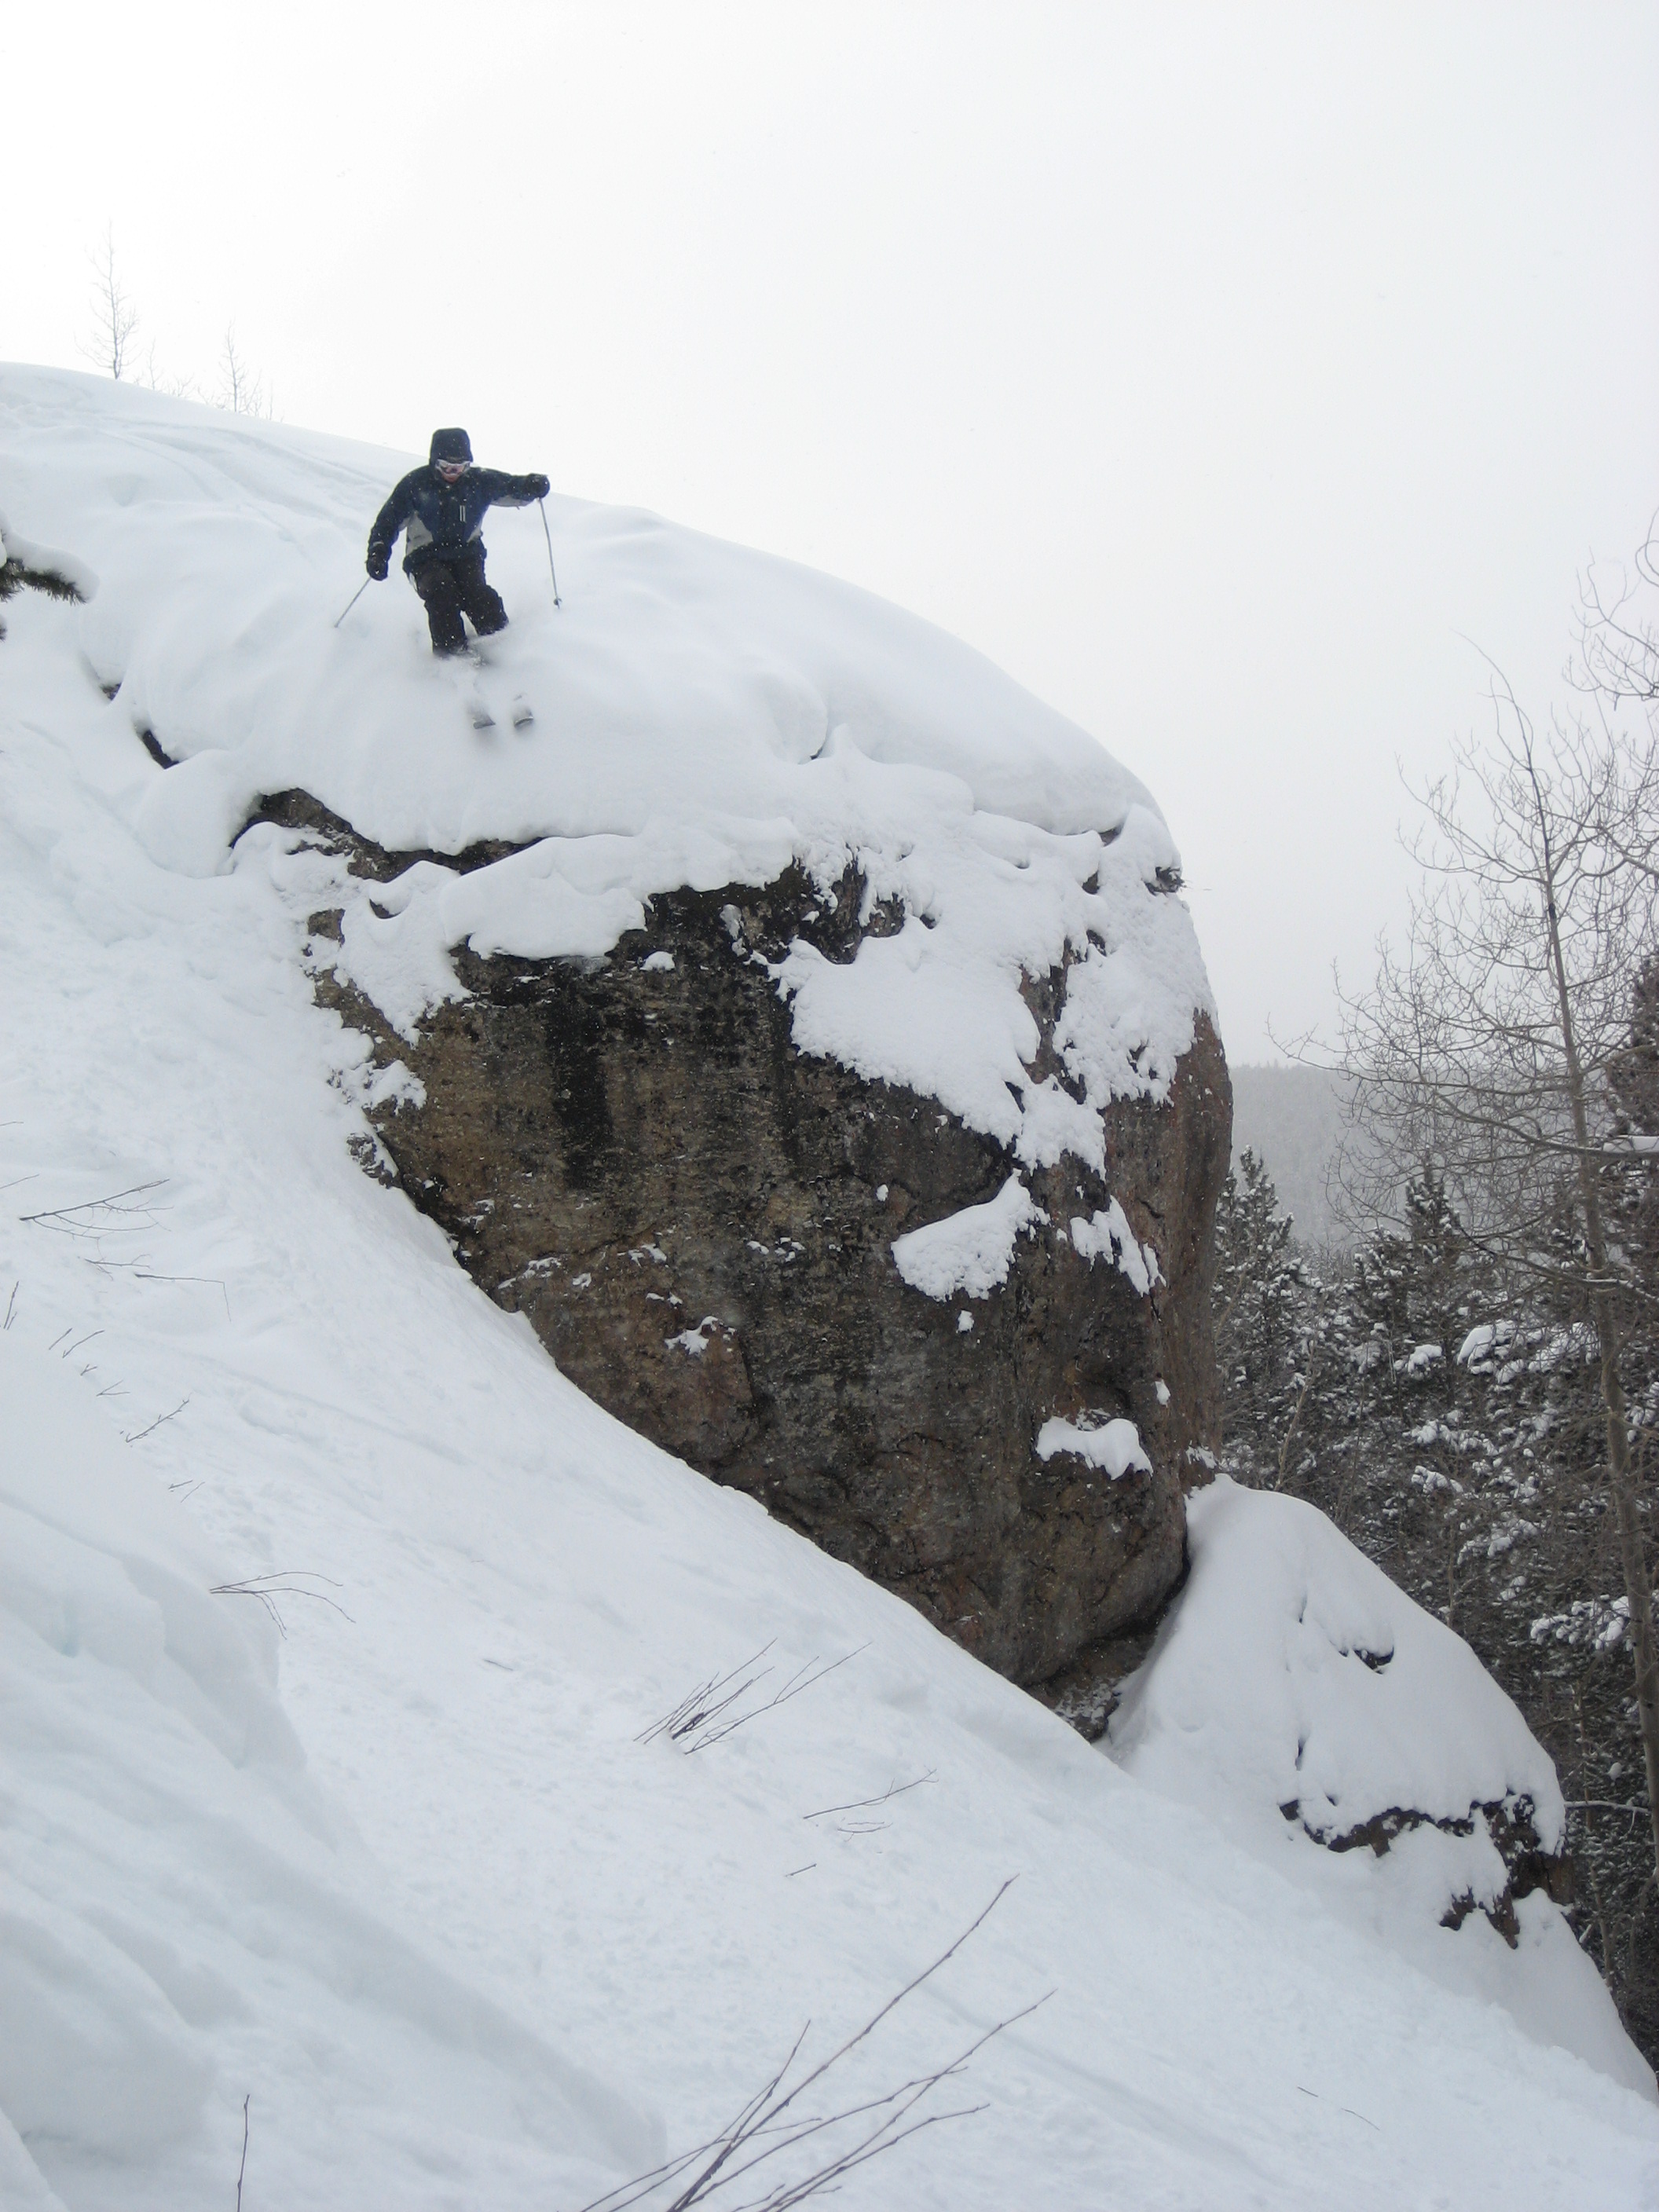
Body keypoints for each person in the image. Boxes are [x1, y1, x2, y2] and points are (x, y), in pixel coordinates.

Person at [365, 429, 551, 657]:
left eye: (460, 467)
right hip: (424, 559)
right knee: (442, 593)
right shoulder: (415, 485)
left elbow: (511, 486)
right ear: (434, 462)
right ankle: (451, 657)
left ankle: (502, 649)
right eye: (446, 467)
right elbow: (388, 522)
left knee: (478, 596)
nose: (453, 473)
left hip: (467, 555)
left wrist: (532, 484)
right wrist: (378, 553)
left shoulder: (478, 482)